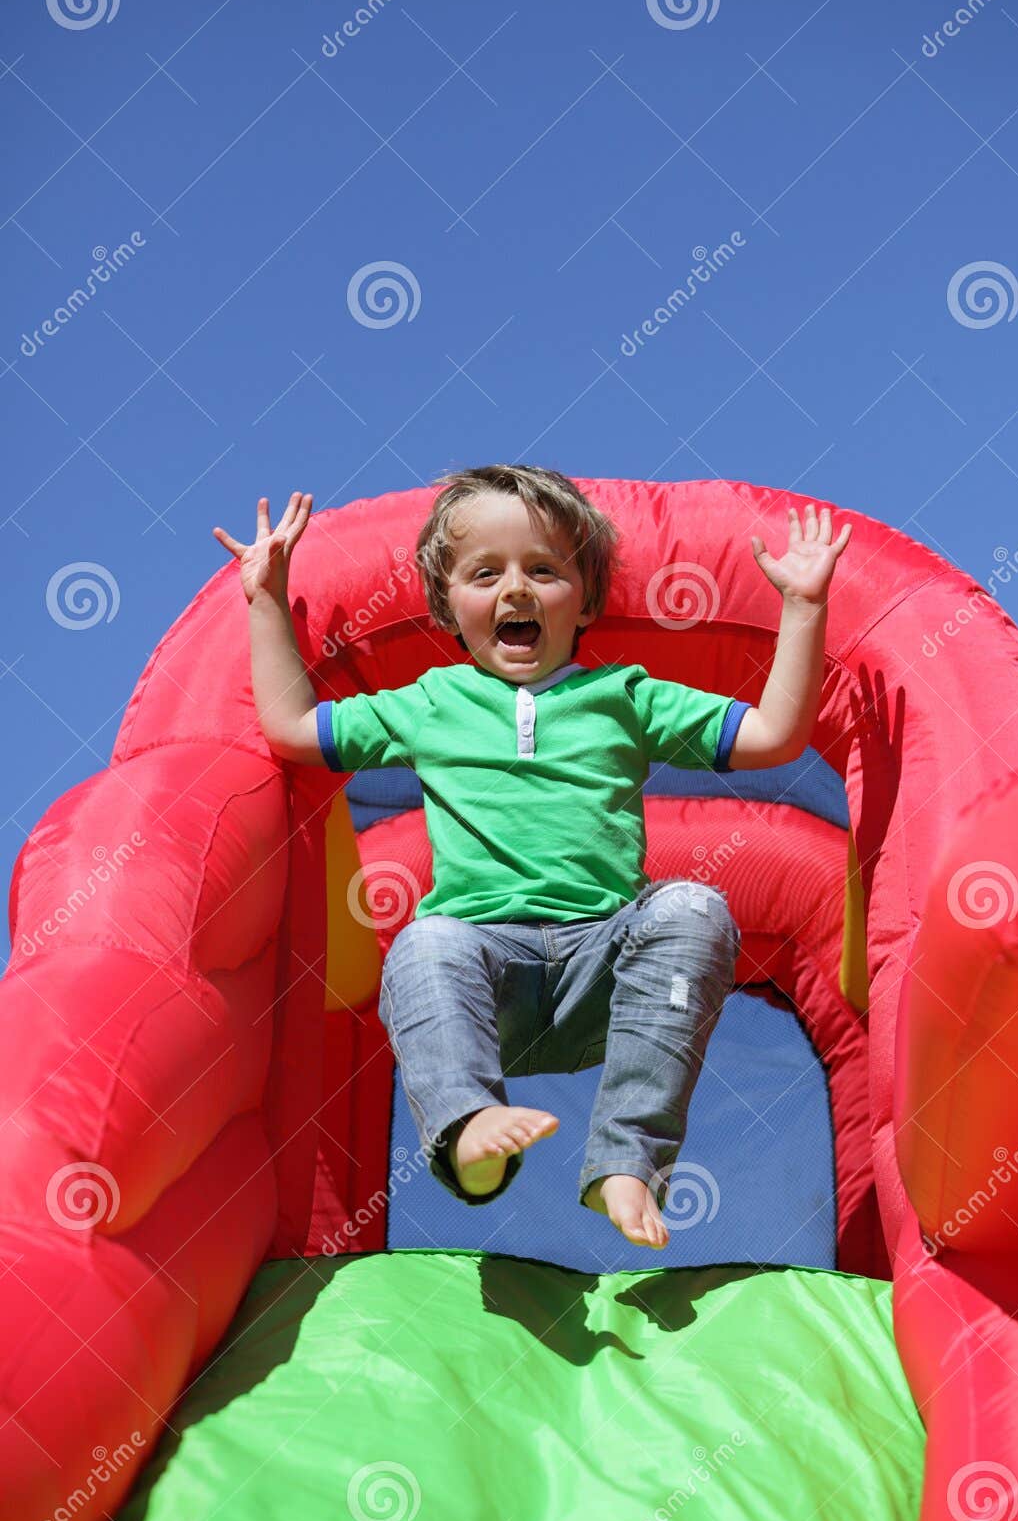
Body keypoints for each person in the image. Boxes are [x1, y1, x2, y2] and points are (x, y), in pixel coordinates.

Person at [213, 464, 850, 1248]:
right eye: (486, 573)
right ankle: (469, 1130)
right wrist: (267, 598)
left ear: (584, 599)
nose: (515, 589)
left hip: (607, 973)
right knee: (423, 940)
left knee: (693, 907)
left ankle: (626, 1160)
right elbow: (292, 728)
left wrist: (803, 608)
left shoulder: (625, 695)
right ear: (448, 604)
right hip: (489, 977)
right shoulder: (430, 702)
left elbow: (773, 736)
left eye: (543, 570)